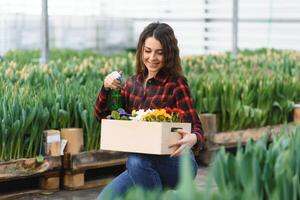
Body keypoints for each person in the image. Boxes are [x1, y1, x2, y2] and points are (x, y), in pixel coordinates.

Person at [94, 22, 204, 200]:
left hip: (177, 163)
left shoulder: (176, 84)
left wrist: (194, 138)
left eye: (159, 52)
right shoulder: (131, 84)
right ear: (141, 51)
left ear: (169, 54)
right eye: (148, 50)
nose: (152, 57)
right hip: (141, 165)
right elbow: (102, 117)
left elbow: (197, 127)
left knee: (135, 161)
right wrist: (106, 88)